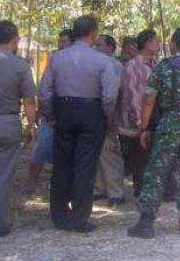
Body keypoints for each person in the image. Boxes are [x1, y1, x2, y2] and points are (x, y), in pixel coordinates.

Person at [127, 28, 180, 238]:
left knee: (157, 171)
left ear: (174, 44)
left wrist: (145, 126)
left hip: (169, 123)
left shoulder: (162, 68)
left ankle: (146, 222)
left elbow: (149, 99)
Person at [39, 14, 120, 232]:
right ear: (93, 33)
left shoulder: (57, 58)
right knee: (85, 165)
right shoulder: (103, 61)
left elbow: (45, 91)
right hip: (91, 112)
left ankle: (58, 215)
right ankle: (79, 218)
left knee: (62, 163)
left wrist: (50, 115)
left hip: (64, 111)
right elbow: (110, 96)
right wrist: (105, 115)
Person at [0, 21, 37, 239]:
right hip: (7, 123)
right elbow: (29, 101)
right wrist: (31, 126)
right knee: (1, 177)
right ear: (14, 40)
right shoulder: (20, 66)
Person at [25, 29, 73, 195]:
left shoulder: (78, 62)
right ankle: (31, 183)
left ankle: (60, 187)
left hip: (69, 115)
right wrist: (44, 113)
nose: (60, 44)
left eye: (64, 41)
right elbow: (44, 89)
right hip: (50, 115)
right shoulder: (53, 59)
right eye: (59, 41)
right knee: (41, 150)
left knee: (66, 153)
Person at [117, 29, 160, 197]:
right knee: (140, 160)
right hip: (139, 122)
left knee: (153, 157)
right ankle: (141, 193)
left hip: (155, 119)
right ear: (148, 44)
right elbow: (131, 96)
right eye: (156, 41)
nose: (158, 44)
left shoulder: (156, 65)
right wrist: (141, 123)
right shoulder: (133, 66)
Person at [93, 35, 126, 206]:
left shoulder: (115, 66)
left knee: (110, 153)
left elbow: (116, 94)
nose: (96, 48)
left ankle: (116, 192)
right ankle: (98, 189)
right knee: (97, 153)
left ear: (111, 48)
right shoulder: (94, 64)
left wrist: (112, 116)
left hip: (108, 115)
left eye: (100, 45)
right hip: (94, 115)